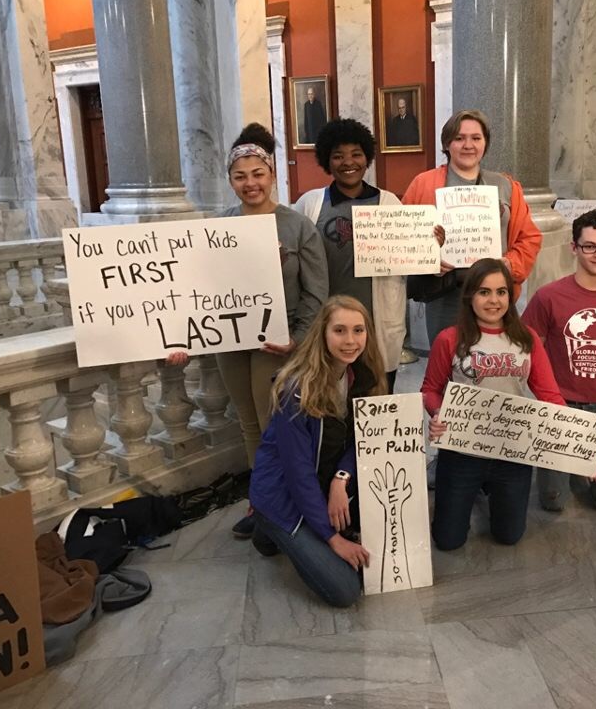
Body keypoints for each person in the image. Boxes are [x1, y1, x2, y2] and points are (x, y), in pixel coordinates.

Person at [167, 123, 328, 540]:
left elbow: (317, 291)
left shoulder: (296, 226)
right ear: (230, 180)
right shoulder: (218, 226)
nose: (250, 183)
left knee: (272, 421)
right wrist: (182, 336)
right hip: (229, 339)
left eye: (258, 173)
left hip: (277, 341)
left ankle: (287, 500)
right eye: (240, 176)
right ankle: (262, 502)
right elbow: (198, 288)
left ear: (272, 175)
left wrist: (299, 337)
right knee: (247, 423)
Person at [249, 296, 386, 607]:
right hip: (284, 492)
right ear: (323, 334)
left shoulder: (362, 376)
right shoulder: (295, 390)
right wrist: (332, 538)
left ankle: (274, 532)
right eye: (339, 330)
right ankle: (266, 520)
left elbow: (363, 438)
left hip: (325, 479)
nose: (350, 341)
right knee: (345, 591)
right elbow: (297, 474)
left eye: (358, 330)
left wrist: (341, 478)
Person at [423, 258, 565, 550]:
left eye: (501, 292)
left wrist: (584, 443)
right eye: (484, 292)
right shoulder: (449, 339)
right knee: (448, 541)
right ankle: (469, 492)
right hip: (462, 451)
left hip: (511, 451)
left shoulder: (527, 340)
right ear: (470, 296)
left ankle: (489, 491)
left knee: (509, 536)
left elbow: (550, 396)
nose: (494, 300)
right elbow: (431, 390)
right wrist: (437, 412)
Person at [522, 209, 596, 512]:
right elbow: (527, 348)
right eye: (589, 246)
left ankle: (587, 466)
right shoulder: (548, 297)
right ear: (574, 248)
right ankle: (571, 470)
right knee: (553, 503)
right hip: (561, 405)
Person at [294, 118, 417, 391]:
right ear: (327, 160)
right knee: (330, 405)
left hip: (377, 327)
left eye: (356, 154)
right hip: (328, 326)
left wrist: (430, 244)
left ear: (367, 158)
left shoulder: (389, 203)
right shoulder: (310, 204)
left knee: (375, 403)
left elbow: (410, 257)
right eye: (338, 156)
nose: (348, 162)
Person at [402, 109, 542, 345]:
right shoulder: (423, 184)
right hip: (444, 294)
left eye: (476, 138)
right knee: (447, 361)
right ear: (447, 143)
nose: (468, 145)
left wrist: (510, 264)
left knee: (491, 363)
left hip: (494, 293)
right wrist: (428, 259)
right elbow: (403, 238)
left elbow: (530, 238)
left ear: (485, 143)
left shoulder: (505, 186)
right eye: (459, 138)